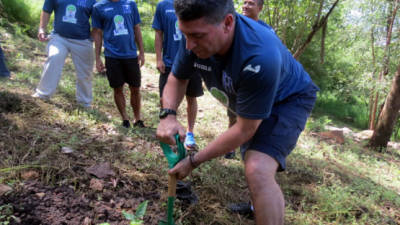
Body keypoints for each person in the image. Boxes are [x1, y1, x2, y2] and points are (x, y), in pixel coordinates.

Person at [156, 0, 319, 224]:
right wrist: (168, 115)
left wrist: (193, 161)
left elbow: (244, 129)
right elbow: (177, 78)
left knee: (257, 169)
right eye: (185, 34)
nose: (188, 46)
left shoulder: (260, 56)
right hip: (251, 92)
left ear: (228, 22)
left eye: (197, 36)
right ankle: (258, 205)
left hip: (288, 99)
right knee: (254, 165)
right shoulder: (194, 37)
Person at [224, 0, 275, 159]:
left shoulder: (267, 30)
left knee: (251, 117)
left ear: (260, 8)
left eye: (251, 3)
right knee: (233, 113)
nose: (245, 6)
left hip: (255, 78)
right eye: (244, 2)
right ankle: (230, 147)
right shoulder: (234, 22)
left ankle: (251, 150)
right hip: (234, 76)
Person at [152, 0, 204, 149]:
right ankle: (167, 129)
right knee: (164, 98)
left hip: (192, 59)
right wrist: (159, 58)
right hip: (169, 61)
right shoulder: (163, 6)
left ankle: (189, 133)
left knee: (191, 98)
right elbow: (158, 33)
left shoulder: (195, 4)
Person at [92, 0, 145, 128]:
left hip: (131, 55)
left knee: (135, 88)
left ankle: (137, 119)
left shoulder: (130, 4)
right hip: (112, 56)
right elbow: (97, 33)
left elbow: (136, 28)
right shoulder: (98, 7)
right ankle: (125, 119)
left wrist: (142, 51)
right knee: (117, 88)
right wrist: (97, 57)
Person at [32, 0, 96, 107]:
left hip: (82, 40)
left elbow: (97, 21)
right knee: (54, 56)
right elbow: (46, 10)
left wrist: (93, 37)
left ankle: (84, 103)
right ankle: (42, 94)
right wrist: (42, 28)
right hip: (59, 37)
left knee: (85, 73)